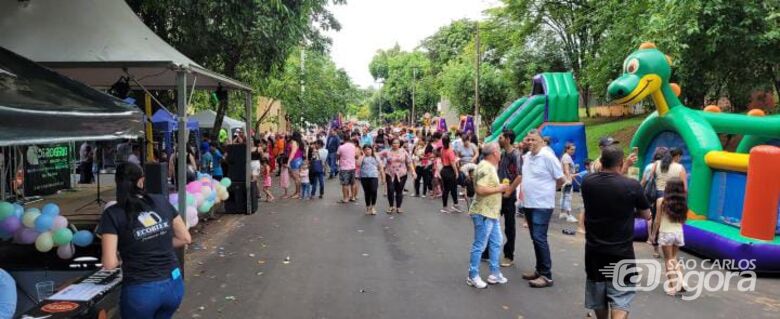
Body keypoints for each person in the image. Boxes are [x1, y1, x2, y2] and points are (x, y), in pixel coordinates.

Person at [98, 163, 191, 319]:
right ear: (141, 181)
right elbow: (185, 238)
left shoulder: (112, 214)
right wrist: (155, 243)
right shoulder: (160, 201)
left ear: (117, 182)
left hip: (141, 292)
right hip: (174, 284)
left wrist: (135, 248)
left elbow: (109, 263)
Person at [581, 145, 651, 319]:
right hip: (622, 253)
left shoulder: (588, 182)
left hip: (594, 252)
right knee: (621, 298)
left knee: (599, 297)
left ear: (601, 161)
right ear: (621, 163)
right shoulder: (632, 186)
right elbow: (646, 214)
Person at [520, 129, 565, 288]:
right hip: (529, 203)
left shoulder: (547, 156)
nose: (530, 142)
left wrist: (548, 191)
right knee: (535, 238)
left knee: (539, 238)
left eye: (534, 140)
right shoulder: (528, 157)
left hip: (542, 205)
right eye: (529, 140)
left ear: (542, 141)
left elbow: (560, 179)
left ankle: (546, 275)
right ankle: (539, 270)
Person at [466, 142, 510, 289]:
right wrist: (501, 188)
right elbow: (480, 189)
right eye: (498, 150)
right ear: (494, 153)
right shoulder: (485, 167)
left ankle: (494, 272)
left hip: (491, 212)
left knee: (497, 241)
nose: (500, 153)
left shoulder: (488, 166)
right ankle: (472, 275)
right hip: (483, 212)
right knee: (480, 244)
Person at [481, 129, 523, 267]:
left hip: (508, 196)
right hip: (498, 193)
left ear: (508, 139)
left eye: (501, 137)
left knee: (509, 226)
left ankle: (509, 255)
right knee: (491, 222)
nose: (499, 139)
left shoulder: (516, 154)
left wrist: (509, 191)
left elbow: (519, 175)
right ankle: (487, 252)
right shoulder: (503, 154)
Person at [651, 178, 688, 295]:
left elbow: (657, 220)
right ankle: (681, 281)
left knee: (668, 260)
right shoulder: (683, 203)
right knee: (674, 258)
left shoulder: (661, 201)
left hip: (666, 232)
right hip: (678, 232)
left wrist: (653, 235)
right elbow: (683, 221)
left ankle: (672, 286)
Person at [381, 138, 416, 214]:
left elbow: (409, 162)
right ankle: (391, 206)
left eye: (397, 143)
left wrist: (413, 172)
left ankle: (398, 207)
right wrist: (381, 165)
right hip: (390, 173)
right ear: (391, 144)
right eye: (394, 143)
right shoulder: (387, 151)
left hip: (402, 174)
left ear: (399, 144)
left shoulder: (404, 151)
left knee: (399, 190)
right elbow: (377, 156)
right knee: (390, 190)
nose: (395, 145)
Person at [358, 145, 383, 215]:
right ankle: (368, 207)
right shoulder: (362, 157)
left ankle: (373, 207)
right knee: (367, 192)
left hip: (374, 176)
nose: (367, 151)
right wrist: (362, 155)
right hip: (364, 177)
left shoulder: (375, 157)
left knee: (374, 191)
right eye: (365, 149)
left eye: (369, 149)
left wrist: (382, 176)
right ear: (363, 150)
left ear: (371, 150)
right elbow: (358, 164)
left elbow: (380, 167)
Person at [439, 135, 461, 213]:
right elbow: (453, 163)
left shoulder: (442, 150)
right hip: (450, 170)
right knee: (453, 188)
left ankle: (445, 206)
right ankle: (455, 205)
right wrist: (456, 172)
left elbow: (442, 159)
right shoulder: (450, 151)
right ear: (449, 142)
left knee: (446, 189)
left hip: (444, 170)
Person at [559, 142, 578, 223]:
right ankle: (568, 215)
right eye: (571, 149)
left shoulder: (566, 156)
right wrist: (569, 180)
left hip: (565, 179)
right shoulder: (566, 157)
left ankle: (562, 213)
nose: (573, 151)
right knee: (568, 197)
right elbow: (566, 170)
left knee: (564, 196)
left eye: (574, 149)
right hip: (567, 180)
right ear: (567, 149)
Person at [337, 135, 357, 203]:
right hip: (352, 167)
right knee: (353, 183)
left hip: (344, 167)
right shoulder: (353, 146)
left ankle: (346, 198)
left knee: (345, 184)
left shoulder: (341, 147)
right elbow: (356, 155)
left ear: (343, 139)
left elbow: (338, 156)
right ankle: (353, 197)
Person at [286, 131, 305, 199]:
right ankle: (297, 192)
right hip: (299, 160)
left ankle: (298, 193)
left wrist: (288, 161)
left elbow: (293, 152)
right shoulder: (300, 142)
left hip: (295, 160)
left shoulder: (294, 142)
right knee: (297, 177)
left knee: (296, 178)